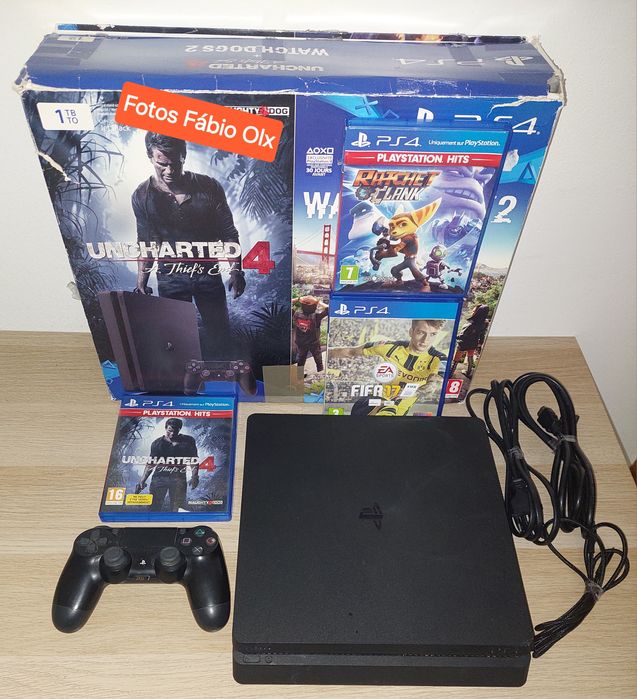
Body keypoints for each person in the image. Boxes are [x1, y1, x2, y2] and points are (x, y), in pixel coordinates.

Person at [132, 132, 245, 358]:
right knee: (177, 341)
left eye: (175, 163)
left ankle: (222, 376)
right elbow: (146, 242)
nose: (169, 171)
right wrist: (141, 280)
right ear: (150, 157)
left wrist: (236, 271)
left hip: (208, 274)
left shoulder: (208, 187)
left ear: (184, 156)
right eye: (162, 164)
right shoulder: (142, 196)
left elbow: (228, 233)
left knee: (220, 337)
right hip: (170, 277)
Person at [329, 319, 447, 415]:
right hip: (372, 404)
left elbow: (435, 384)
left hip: (399, 412)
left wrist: (413, 392)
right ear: (411, 331)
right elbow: (350, 352)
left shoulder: (439, 359)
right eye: (421, 332)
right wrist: (322, 356)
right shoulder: (389, 347)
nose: (426, 340)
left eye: (433, 334)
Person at [136, 418, 199, 512]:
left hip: (179, 479)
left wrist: (195, 476)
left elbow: (193, 460)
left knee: (178, 508)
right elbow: (151, 464)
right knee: (154, 508)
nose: (172, 434)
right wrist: (142, 480)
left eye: (175, 431)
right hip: (159, 478)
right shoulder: (157, 443)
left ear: (179, 429)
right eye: (170, 431)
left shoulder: (188, 441)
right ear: (166, 428)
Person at [292, 295, 328, 374]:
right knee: (318, 359)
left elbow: (287, 305)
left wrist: (298, 299)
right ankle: (320, 373)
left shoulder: (296, 315)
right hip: (314, 342)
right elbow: (329, 309)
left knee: (301, 359)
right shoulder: (316, 316)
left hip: (301, 342)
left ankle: (299, 376)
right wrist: (318, 302)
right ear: (314, 306)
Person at [451, 304, 489, 378]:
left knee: (456, 359)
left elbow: (462, 335)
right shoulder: (485, 323)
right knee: (470, 357)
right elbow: (482, 334)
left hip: (463, 343)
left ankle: (450, 373)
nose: (472, 312)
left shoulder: (470, 323)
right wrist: (480, 342)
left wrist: (455, 337)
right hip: (473, 343)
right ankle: (468, 372)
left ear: (478, 313)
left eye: (474, 311)